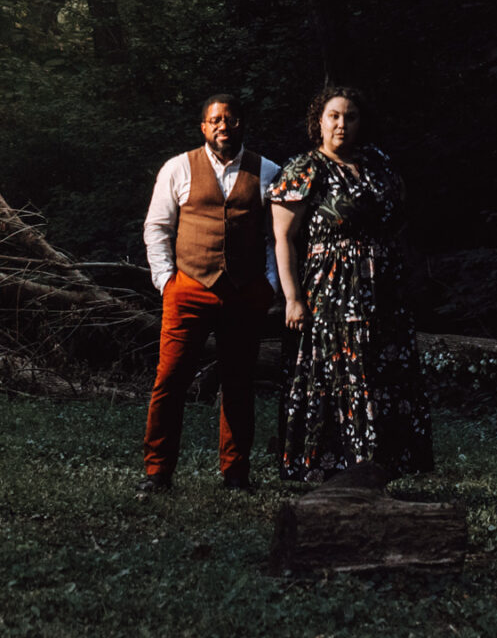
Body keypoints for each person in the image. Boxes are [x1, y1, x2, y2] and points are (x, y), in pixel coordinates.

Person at [270, 84, 432, 481]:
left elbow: (401, 215)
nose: (343, 124)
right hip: (332, 291)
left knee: (383, 372)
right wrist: (292, 298)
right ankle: (340, 467)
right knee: (342, 373)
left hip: (384, 290)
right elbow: (283, 238)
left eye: (351, 116)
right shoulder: (304, 169)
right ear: (319, 122)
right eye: (334, 116)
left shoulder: (377, 162)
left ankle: (383, 464)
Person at [139, 93, 281, 493]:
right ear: (203, 126)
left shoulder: (267, 171)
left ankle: (235, 473)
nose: (223, 126)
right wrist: (166, 280)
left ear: (241, 124)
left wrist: (269, 283)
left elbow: (275, 236)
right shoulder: (178, 168)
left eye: (231, 119)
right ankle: (157, 472)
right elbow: (157, 228)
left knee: (239, 381)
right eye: (215, 120)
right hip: (188, 288)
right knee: (169, 379)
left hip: (244, 292)